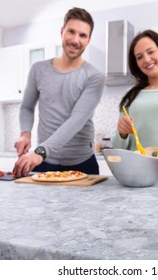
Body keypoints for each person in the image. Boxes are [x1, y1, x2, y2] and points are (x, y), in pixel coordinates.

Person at [13, 7, 105, 177]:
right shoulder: (38, 69)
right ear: (62, 32)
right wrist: (25, 134)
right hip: (44, 161)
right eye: (71, 31)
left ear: (88, 40)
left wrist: (40, 151)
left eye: (82, 35)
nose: (76, 40)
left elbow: (76, 120)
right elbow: (27, 107)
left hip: (82, 164)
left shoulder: (94, 76)